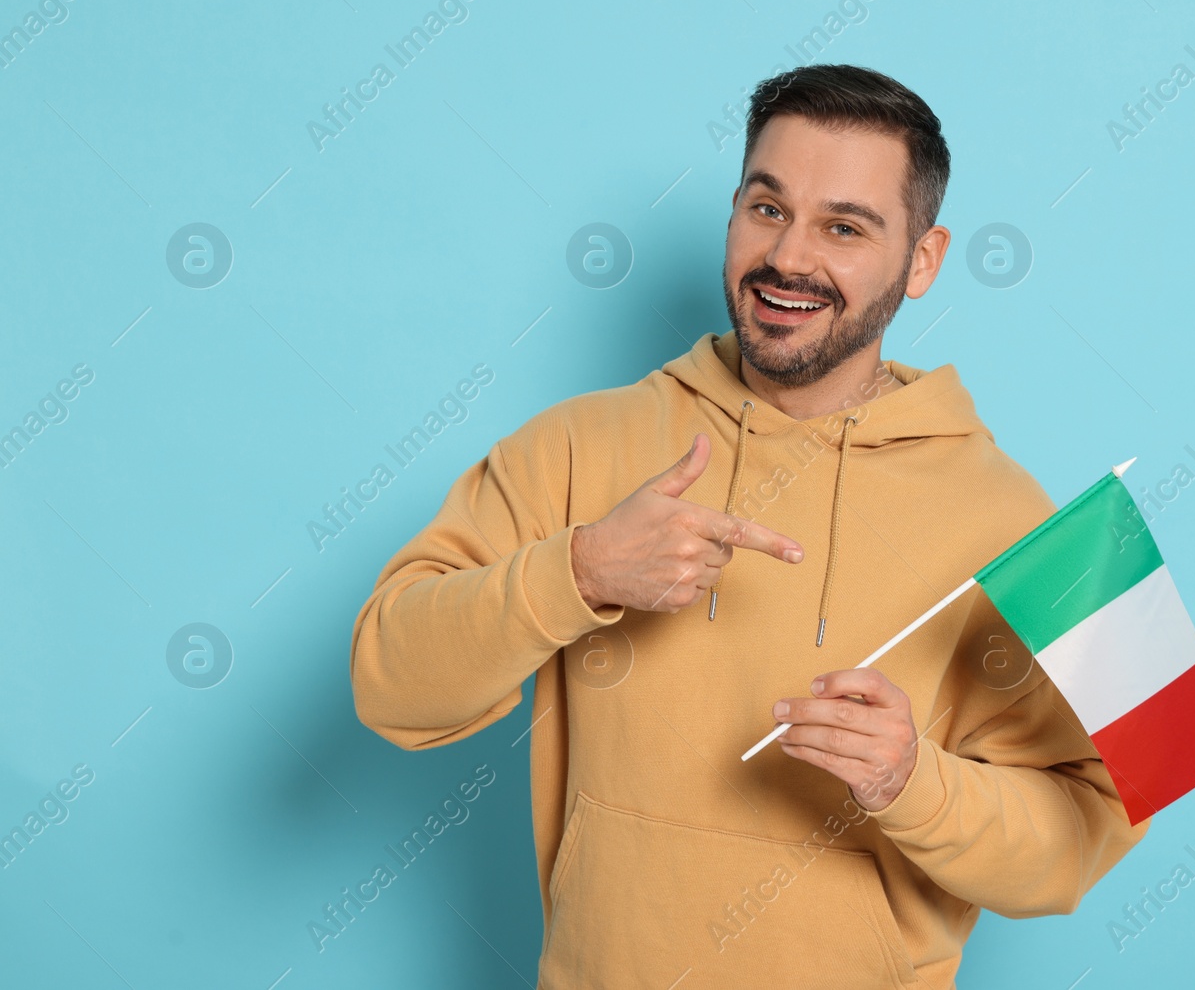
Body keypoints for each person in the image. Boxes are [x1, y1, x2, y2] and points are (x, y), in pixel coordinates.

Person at [351, 63, 1147, 988]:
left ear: (922, 260)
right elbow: (389, 685)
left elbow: (1087, 832)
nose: (789, 258)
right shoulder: (577, 445)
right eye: (767, 209)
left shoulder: (1016, 519)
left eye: (844, 227)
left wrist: (913, 783)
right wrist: (580, 570)